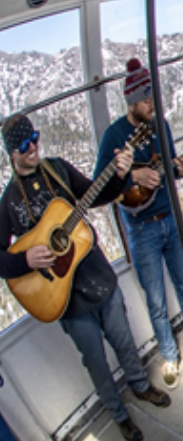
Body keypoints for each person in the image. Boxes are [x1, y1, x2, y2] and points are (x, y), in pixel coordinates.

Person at [0, 114, 171, 441]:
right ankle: (119, 415)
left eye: (35, 138)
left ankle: (139, 385)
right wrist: (25, 259)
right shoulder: (8, 202)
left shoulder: (58, 169)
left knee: (123, 340)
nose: (34, 147)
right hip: (65, 298)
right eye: (25, 145)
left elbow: (98, 194)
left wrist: (120, 175)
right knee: (95, 360)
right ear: (12, 153)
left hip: (98, 277)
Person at [94, 58, 183, 392]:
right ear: (131, 102)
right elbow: (99, 186)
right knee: (156, 298)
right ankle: (169, 354)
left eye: (154, 99)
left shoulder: (159, 124)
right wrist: (131, 174)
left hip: (169, 219)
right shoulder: (114, 135)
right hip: (141, 228)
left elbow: (168, 168)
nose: (153, 105)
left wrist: (180, 167)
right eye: (147, 101)